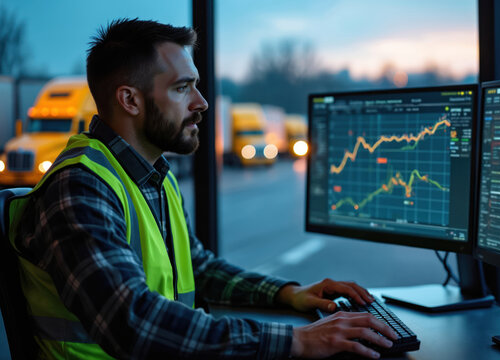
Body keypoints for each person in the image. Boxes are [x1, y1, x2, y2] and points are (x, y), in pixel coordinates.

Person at [8, 18, 398, 359]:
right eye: (183, 88)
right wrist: (296, 341)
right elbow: (132, 323)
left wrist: (289, 293)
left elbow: (198, 267)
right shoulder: (79, 188)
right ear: (130, 100)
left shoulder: (153, 176)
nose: (203, 102)